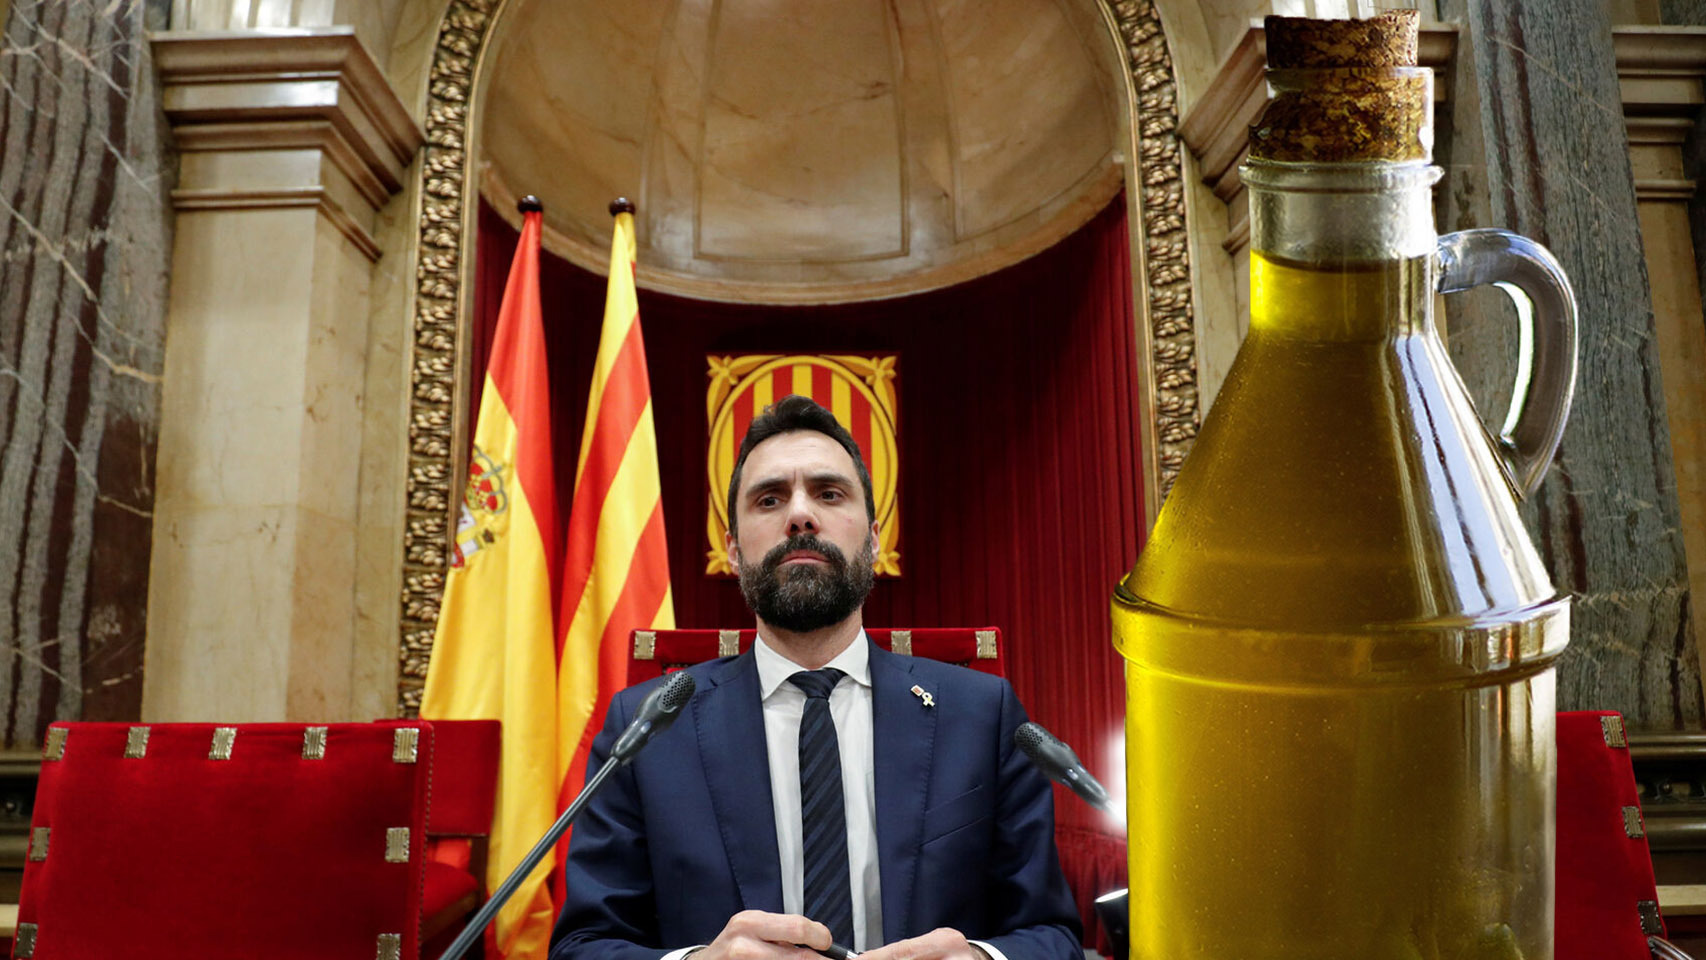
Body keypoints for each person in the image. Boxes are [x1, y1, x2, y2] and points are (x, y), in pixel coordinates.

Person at [549, 395, 1082, 960]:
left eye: (829, 494)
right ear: (732, 551)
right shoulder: (646, 728)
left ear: (874, 539)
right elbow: (583, 946)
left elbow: (1051, 935)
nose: (800, 516)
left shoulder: (982, 714)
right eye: (769, 499)